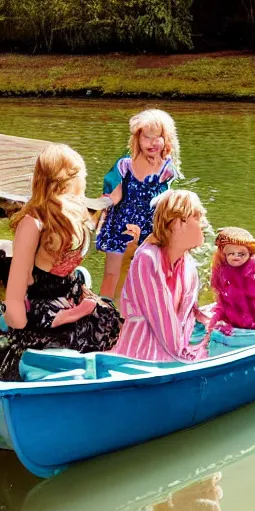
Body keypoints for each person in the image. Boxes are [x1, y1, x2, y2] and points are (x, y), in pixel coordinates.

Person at [0, 144, 123, 382]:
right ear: (72, 180)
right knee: (108, 321)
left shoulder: (37, 221)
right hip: (63, 302)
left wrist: (15, 324)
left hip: (52, 304)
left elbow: (18, 289)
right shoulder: (78, 216)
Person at [111, 189, 210, 362]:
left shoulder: (188, 265)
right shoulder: (147, 259)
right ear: (177, 223)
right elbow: (163, 320)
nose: (203, 224)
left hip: (177, 346)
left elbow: (189, 313)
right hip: (143, 352)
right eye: (197, 217)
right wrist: (186, 357)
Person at [96, 109, 183, 298]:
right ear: (137, 139)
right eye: (146, 137)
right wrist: (98, 208)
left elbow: (165, 201)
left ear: (166, 139)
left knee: (142, 277)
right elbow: (115, 195)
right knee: (112, 274)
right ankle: (104, 313)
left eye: (157, 137)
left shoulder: (167, 170)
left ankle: (133, 315)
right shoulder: (126, 164)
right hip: (121, 226)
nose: (152, 143)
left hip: (149, 230)